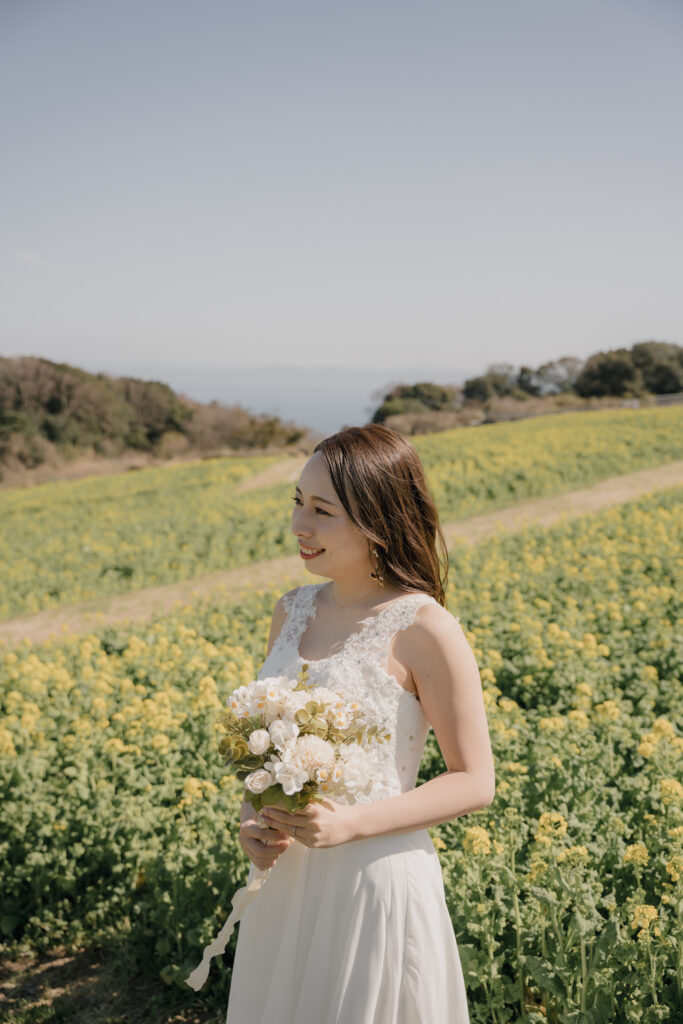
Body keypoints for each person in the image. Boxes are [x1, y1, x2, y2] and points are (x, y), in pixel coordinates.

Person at [226, 423, 495, 1023]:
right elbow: (269, 750)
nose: (300, 525)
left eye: (323, 511)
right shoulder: (290, 611)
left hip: (373, 881)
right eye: (297, 503)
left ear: (378, 519)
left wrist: (350, 825)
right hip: (289, 880)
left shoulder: (425, 627)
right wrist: (252, 817)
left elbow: (475, 780)